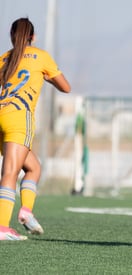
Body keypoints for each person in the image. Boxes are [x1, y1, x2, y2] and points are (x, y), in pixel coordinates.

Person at [0, 18, 71, 241]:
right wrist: (45, 77)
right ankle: (2, 228)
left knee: (34, 168)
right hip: (19, 119)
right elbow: (66, 88)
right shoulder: (40, 56)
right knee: (10, 173)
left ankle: (26, 212)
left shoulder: (3, 58)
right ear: (33, 36)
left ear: (12, 36)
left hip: (1, 115)